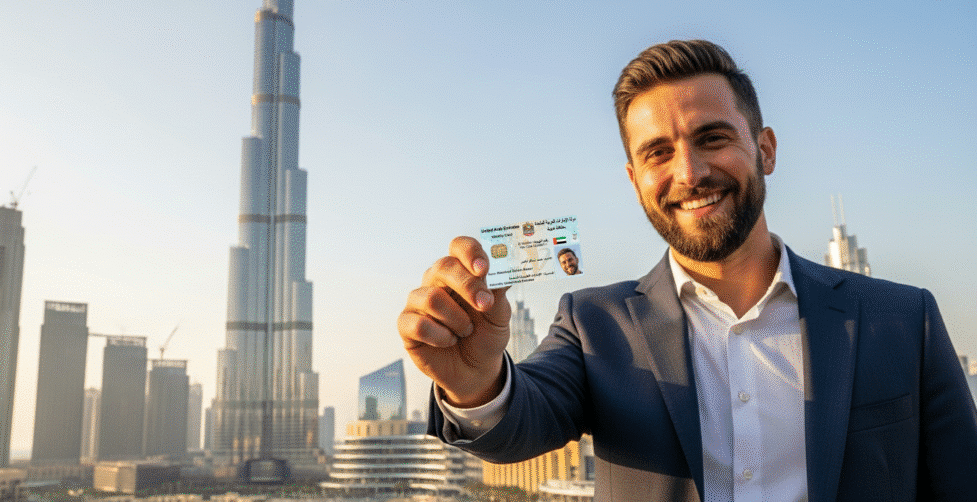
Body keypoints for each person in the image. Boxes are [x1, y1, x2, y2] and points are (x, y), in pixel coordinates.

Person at [397, 40, 977, 501]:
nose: (690, 172)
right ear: (634, 181)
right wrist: (474, 385)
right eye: (658, 153)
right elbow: (524, 420)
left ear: (766, 149)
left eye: (713, 138)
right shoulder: (594, 323)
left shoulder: (903, 320)